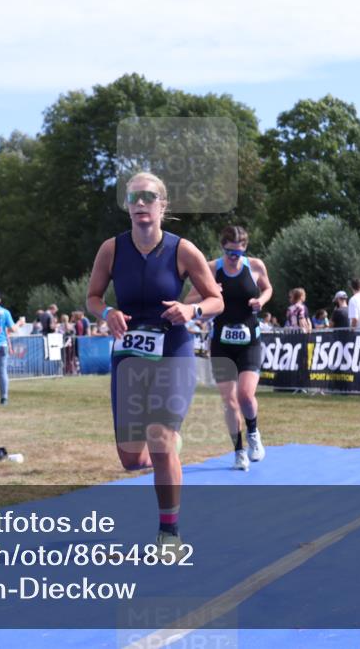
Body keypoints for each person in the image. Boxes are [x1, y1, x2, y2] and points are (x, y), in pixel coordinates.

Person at [86, 172, 222, 555]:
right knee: (132, 459)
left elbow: (216, 299)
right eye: (134, 197)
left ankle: (169, 533)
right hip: (130, 354)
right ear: (127, 205)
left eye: (149, 196)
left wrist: (191, 307)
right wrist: (108, 311)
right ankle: (168, 444)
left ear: (162, 205)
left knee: (160, 443)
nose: (141, 203)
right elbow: (93, 297)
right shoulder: (111, 249)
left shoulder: (183, 250)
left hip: (173, 350)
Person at [188, 226, 272, 472]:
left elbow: (268, 288)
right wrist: (210, 294)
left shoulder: (255, 266)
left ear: (244, 249)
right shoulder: (212, 269)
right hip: (222, 343)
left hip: (249, 341)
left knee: (246, 395)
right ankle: (238, 451)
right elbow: (189, 301)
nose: (233, 257)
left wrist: (261, 301)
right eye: (229, 252)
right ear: (222, 247)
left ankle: (253, 433)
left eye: (238, 253)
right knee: (230, 401)